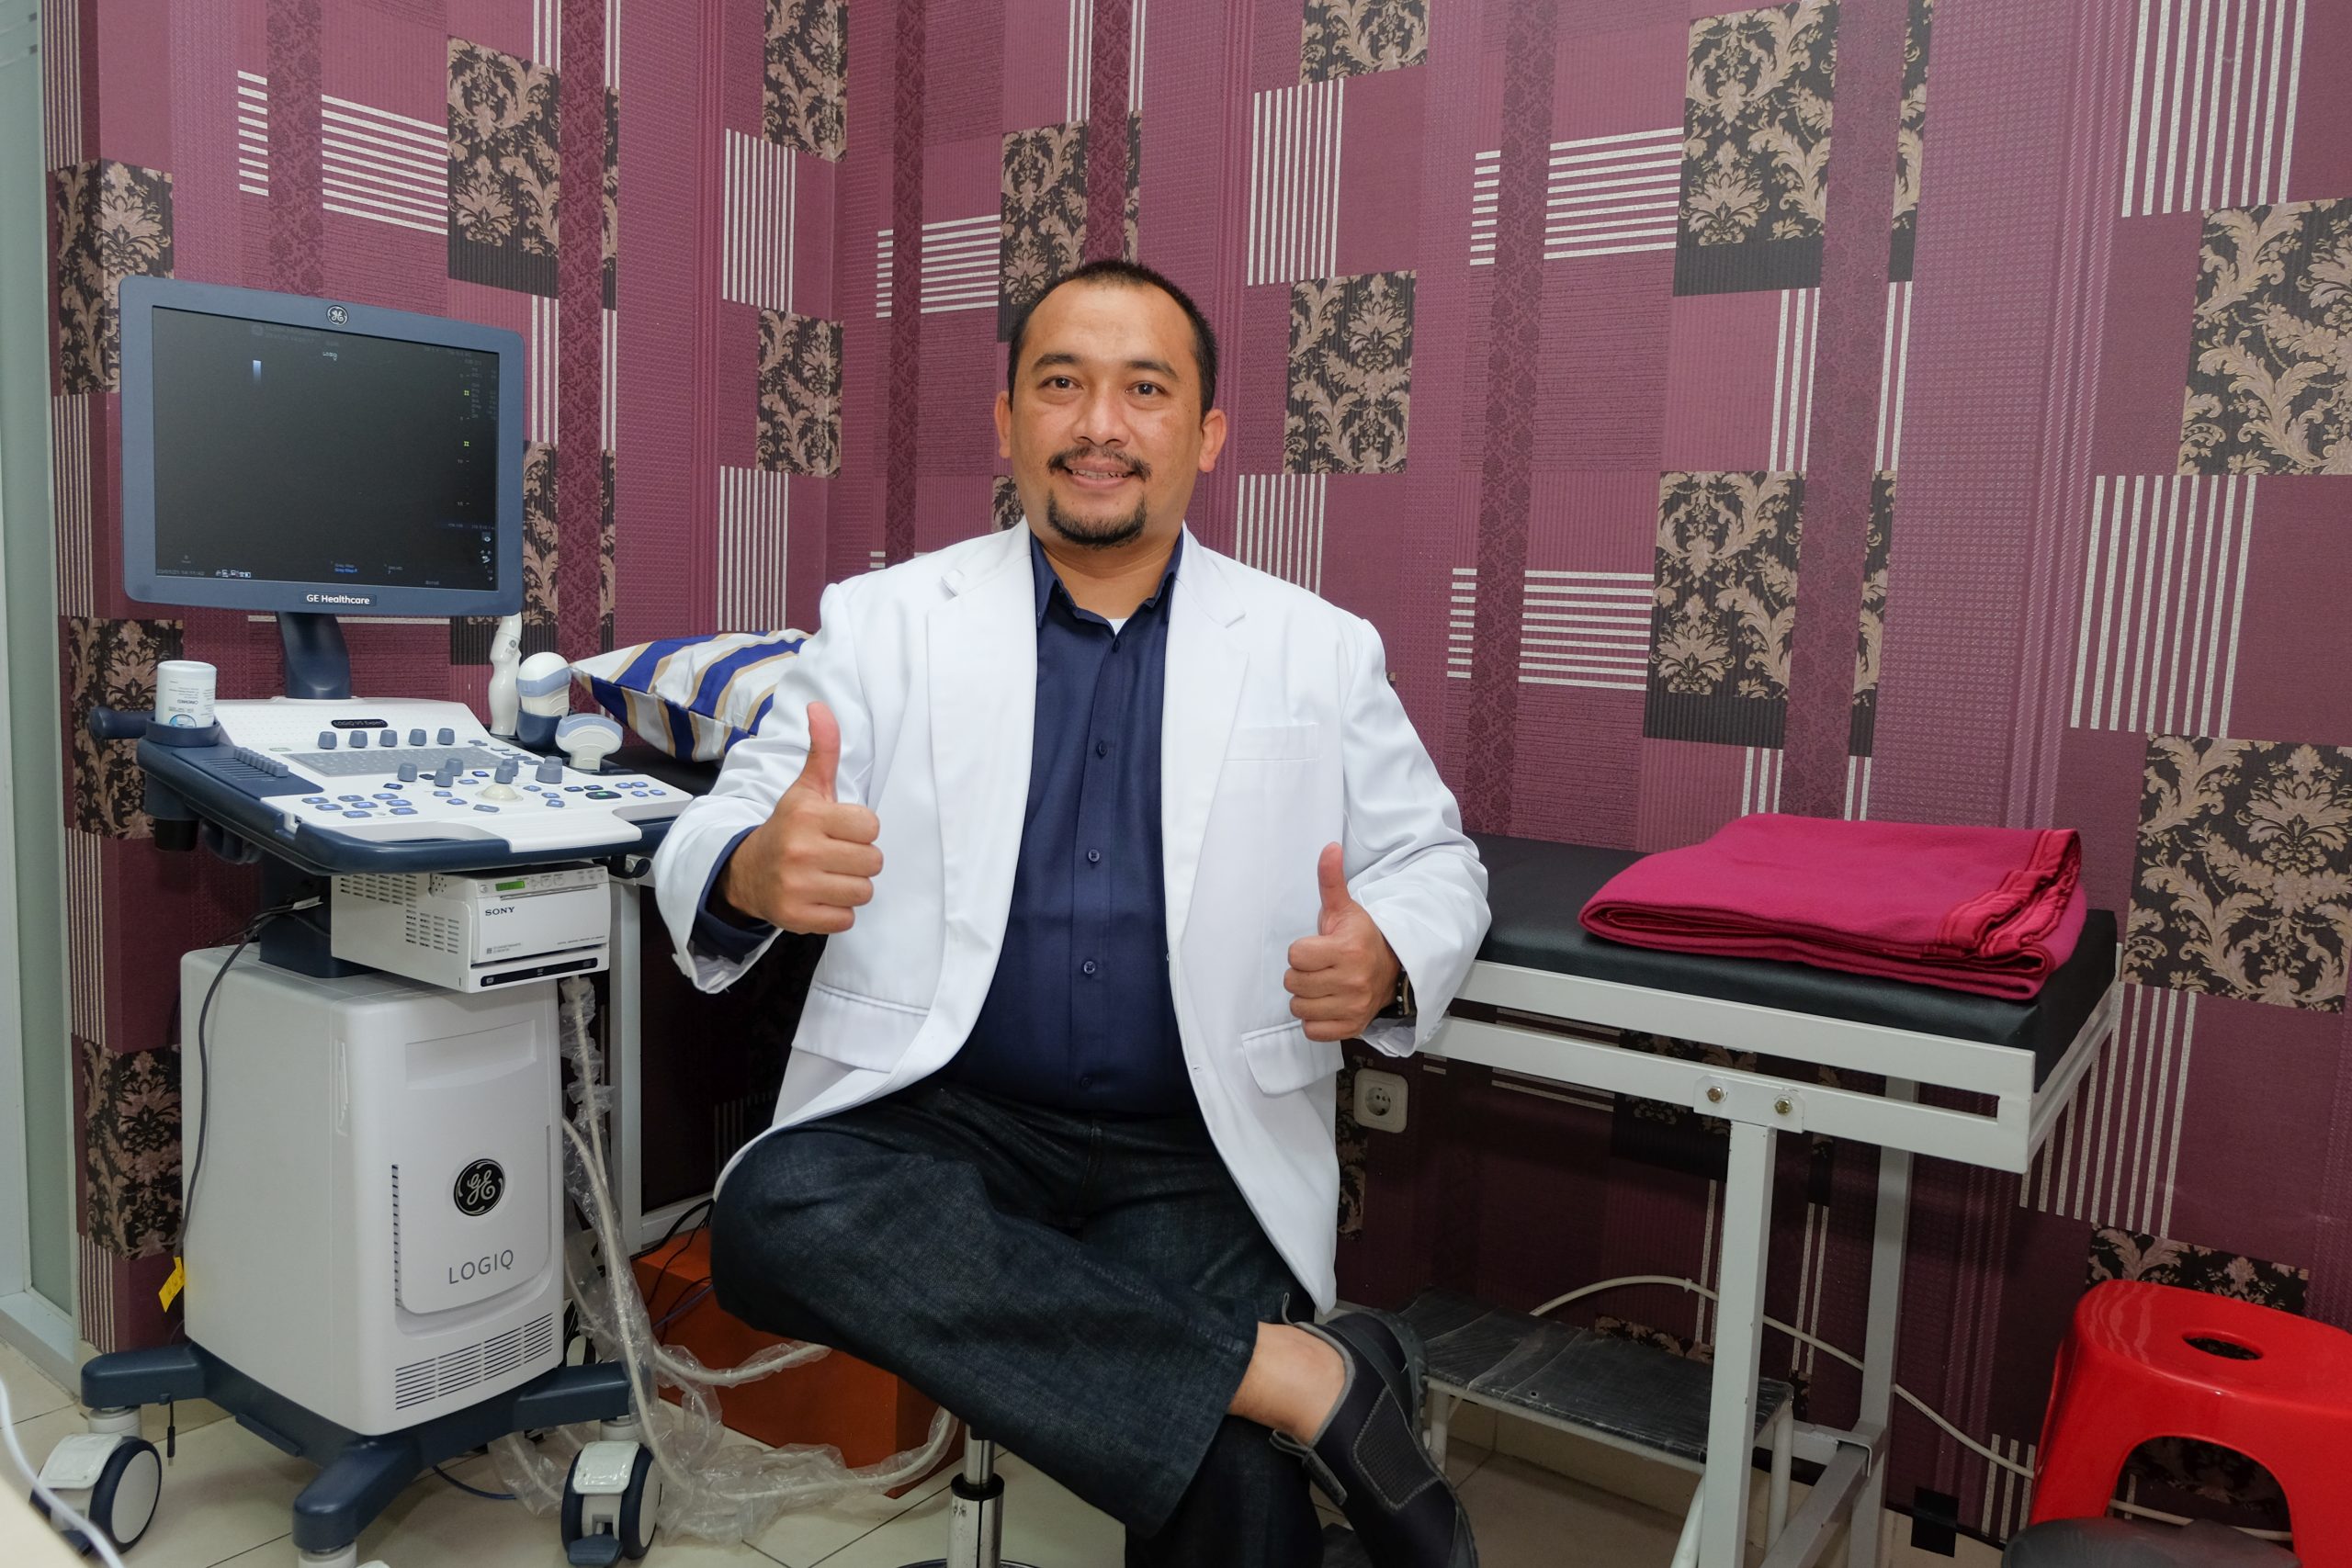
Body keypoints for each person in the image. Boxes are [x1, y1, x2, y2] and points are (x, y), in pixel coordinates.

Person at [651, 257, 1490, 1568]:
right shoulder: (884, 624)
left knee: (1227, 1480)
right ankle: (1307, 1378)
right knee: (773, 1213)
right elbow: (725, 820)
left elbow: (1436, 860)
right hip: (943, 1121)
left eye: (1145, 390)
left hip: (1196, 1139)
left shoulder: (1316, 648)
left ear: (1208, 434)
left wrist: (1386, 952)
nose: (1100, 425)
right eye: (1061, 384)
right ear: (1008, 421)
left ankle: (1269, 1398)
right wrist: (754, 867)